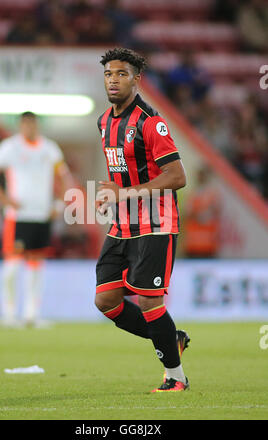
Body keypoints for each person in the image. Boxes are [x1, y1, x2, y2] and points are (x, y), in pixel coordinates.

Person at [95, 48, 190, 393]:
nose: (114, 80)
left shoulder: (151, 122)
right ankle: (171, 337)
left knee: (150, 301)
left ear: (137, 79)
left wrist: (127, 192)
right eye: (109, 74)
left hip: (156, 223)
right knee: (106, 300)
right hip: (122, 224)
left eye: (121, 74)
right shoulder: (105, 122)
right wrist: (112, 195)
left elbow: (177, 176)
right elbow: (119, 172)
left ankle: (175, 377)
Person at [0, 112, 73, 327]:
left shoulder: (49, 148)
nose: (29, 128)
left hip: (41, 214)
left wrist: (59, 203)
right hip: (18, 216)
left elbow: (64, 177)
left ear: (37, 125)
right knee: (12, 266)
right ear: (20, 126)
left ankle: (32, 314)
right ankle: (10, 314)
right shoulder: (10, 147)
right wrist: (4, 200)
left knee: (36, 266)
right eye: (25, 124)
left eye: (32, 124)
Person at [183, 167, 221, 259]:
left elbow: (217, 212)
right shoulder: (192, 194)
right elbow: (187, 214)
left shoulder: (212, 195)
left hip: (208, 243)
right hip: (193, 243)